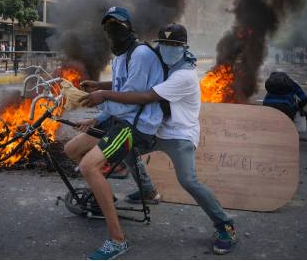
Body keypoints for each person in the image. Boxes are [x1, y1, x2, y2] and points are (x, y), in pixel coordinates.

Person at [81, 23, 237, 255]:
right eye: (163, 44)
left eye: (172, 45)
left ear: (183, 47)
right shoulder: (166, 65)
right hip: (157, 129)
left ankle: (225, 225)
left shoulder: (184, 75)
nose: (166, 49)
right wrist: (102, 85)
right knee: (127, 152)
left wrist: (103, 94)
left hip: (179, 135)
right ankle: (147, 190)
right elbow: (136, 84)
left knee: (188, 181)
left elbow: (146, 95)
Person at [63, 6, 164, 260]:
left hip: (135, 125)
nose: (112, 30)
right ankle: (102, 197)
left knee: (88, 166)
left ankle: (118, 240)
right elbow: (120, 87)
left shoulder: (140, 54)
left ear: (129, 27)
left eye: (117, 25)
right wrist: (98, 109)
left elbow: (132, 97)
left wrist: (99, 97)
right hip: (120, 118)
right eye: (107, 26)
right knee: (71, 149)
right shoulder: (120, 56)